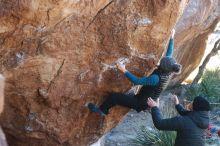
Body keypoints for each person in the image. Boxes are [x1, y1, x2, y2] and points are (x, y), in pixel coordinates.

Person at [87, 29, 181, 116]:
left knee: (114, 97)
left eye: (161, 62)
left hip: (140, 102)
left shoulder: (156, 78)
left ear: (163, 67)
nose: (159, 61)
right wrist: (172, 37)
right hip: (146, 99)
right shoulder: (168, 71)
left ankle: (102, 111)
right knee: (123, 96)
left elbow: (137, 81)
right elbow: (169, 54)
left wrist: (123, 70)